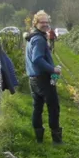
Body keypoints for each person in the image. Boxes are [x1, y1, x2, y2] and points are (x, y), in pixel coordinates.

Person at [25, 10, 63, 144]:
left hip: (33, 78)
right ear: (36, 23)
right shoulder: (39, 39)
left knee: (37, 107)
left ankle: (39, 139)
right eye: (42, 22)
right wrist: (53, 69)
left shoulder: (31, 37)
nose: (46, 25)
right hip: (43, 79)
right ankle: (57, 140)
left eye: (47, 22)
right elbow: (37, 59)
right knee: (53, 107)